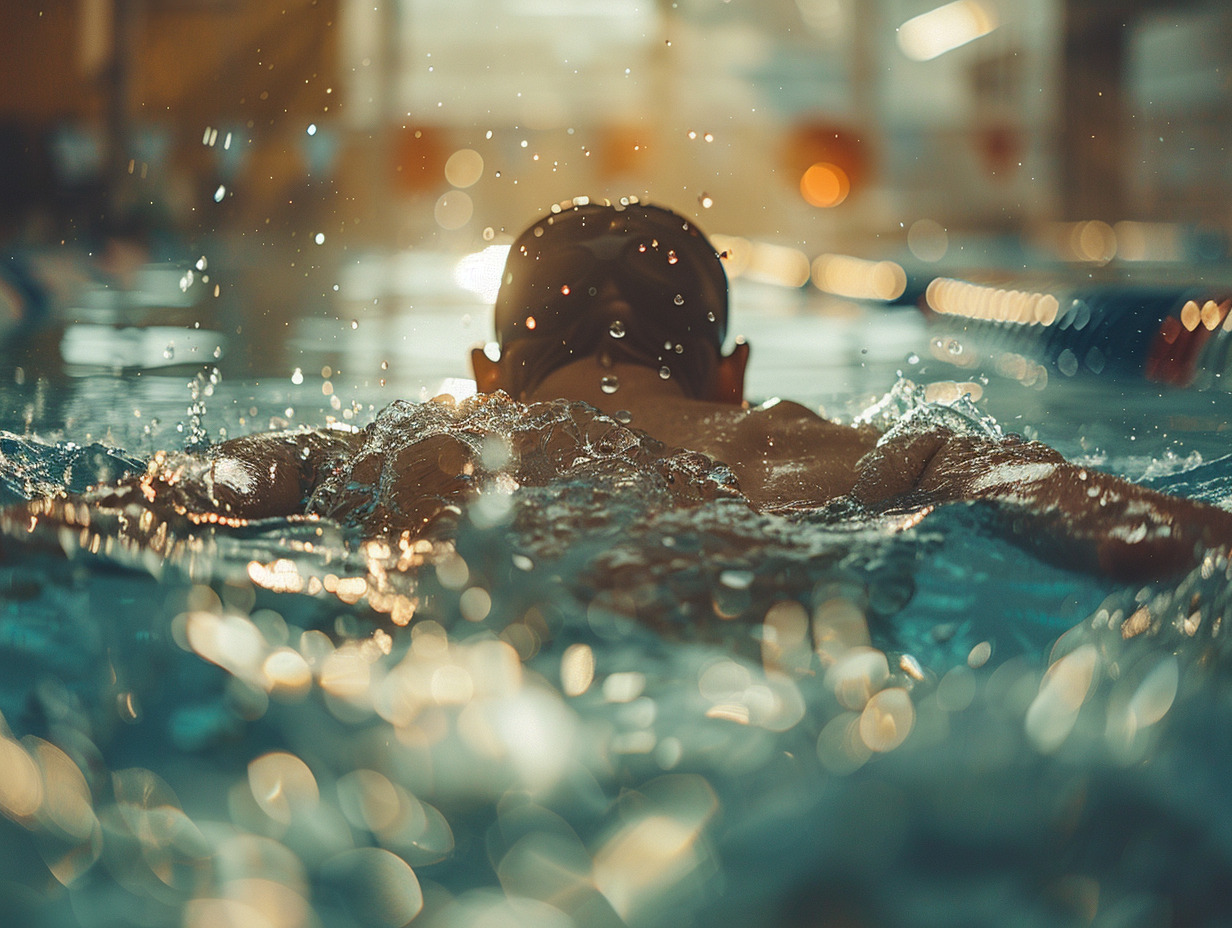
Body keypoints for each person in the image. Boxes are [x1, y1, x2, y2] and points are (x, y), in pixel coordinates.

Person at [10, 197, 1232, 581]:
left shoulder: (379, 445)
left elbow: (120, 504)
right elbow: (1139, 523)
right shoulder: (835, 454)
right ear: (729, 369)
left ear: (489, 374)